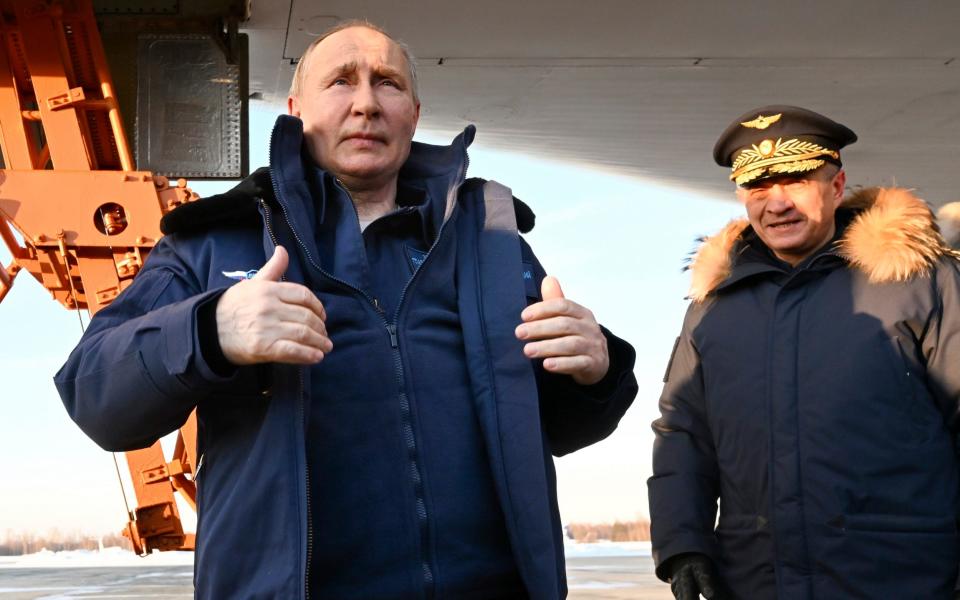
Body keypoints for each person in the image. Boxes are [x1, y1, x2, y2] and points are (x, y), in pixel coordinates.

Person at [54, 20, 637, 600]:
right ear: (295, 109)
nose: (366, 104)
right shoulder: (214, 242)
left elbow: (559, 428)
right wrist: (210, 329)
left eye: (387, 83)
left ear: (413, 110)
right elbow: (93, 394)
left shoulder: (491, 240)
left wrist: (596, 371)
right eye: (340, 82)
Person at [648, 105, 960, 599]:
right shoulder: (713, 310)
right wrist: (682, 543)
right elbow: (684, 432)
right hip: (756, 582)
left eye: (796, 182)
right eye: (758, 188)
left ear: (836, 187)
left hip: (904, 578)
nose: (777, 205)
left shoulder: (920, 281)